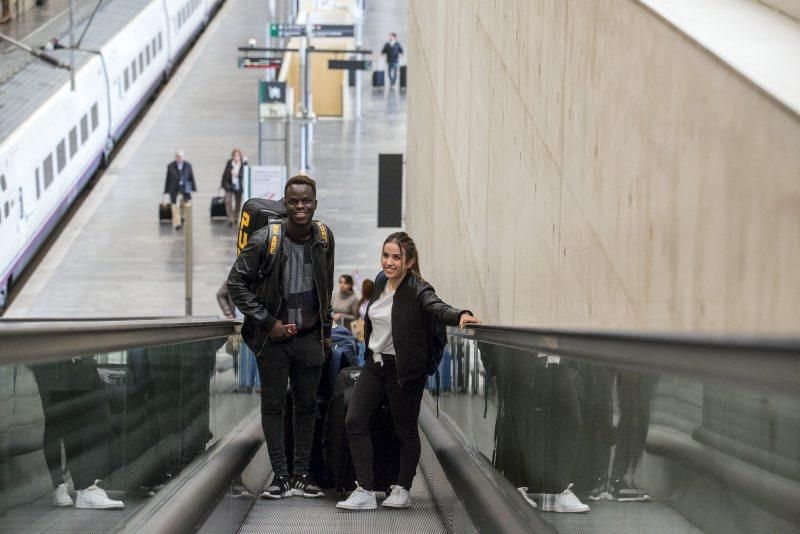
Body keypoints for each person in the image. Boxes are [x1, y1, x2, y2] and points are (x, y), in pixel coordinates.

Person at [336, 232, 480, 511]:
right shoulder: (380, 282)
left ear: (409, 261)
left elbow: (436, 307)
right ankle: (365, 489)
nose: (388, 262)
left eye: (395, 257)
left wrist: (460, 314)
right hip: (375, 364)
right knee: (354, 420)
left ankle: (402, 487)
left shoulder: (418, 289)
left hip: (403, 369)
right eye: (385, 255)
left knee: (405, 429)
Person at [227, 174, 335, 500]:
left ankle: (302, 475)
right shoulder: (264, 240)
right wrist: (266, 321)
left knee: (305, 406)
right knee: (273, 406)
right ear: (285, 205)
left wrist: (326, 332)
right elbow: (236, 284)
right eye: (294, 202)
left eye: (306, 201)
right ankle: (280, 477)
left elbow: (325, 288)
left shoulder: (324, 238)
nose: (300, 207)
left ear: (314, 204)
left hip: (308, 337)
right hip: (272, 339)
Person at [31, 358, 124, 509]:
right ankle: (62, 485)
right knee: (57, 421)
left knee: (92, 416)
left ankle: (85, 487)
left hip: (78, 359)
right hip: (51, 359)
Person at [163, 149, 196, 230]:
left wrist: (192, 188)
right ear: (176, 157)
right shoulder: (170, 166)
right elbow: (168, 179)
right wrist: (166, 191)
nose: (180, 158)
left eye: (181, 157)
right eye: (178, 157)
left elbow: (190, 178)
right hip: (174, 189)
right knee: (175, 207)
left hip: (185, 189)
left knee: (185, 205)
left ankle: (183, 217)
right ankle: (177, 223)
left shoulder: (188, 165)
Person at [220, 148, 247, 227]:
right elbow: (225, 173)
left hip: (239, 186)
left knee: (238, 202)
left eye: (238, 155)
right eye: (235, 155)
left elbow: (245, 173)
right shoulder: (229, 163)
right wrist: (224, 184)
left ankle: (236, 217)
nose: (236, 157)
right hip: (229, 185)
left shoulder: (243, 163)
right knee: (228, 201)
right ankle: (230, 219)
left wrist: (237, 174)